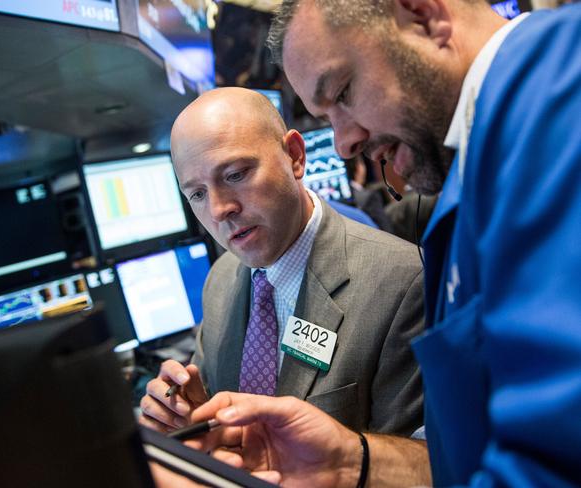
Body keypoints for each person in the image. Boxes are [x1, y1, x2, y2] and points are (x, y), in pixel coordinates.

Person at [187, 0, 581, 486]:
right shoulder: (474, 171)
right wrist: (353, 463)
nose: (344, 143)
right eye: (325, 114)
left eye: (343, 92)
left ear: (422, 14)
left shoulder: (561, 95)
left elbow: (555, 454)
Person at [140, 87, 426, 438]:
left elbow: (415, 466)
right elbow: (214, 415)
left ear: (294, 155)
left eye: (235, 175)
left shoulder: (403, 283)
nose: (218, 209)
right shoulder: (220, 280)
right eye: (197, 194)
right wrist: (190, 419)